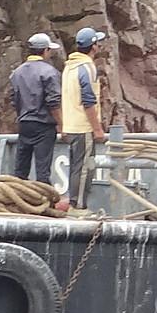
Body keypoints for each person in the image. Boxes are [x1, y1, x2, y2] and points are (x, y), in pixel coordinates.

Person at [60, 27, 109, 207]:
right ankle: (78, 206)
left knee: (76, 167)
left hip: (71, 127)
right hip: (83, 128)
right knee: (84, 169)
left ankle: (74, 203)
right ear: (94, 46)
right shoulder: (87, 68)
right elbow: (88, 100)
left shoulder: (69, 67)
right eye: (98, 43)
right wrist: (97, 128)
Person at [9, 33, 64, 185]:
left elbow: (13, 99)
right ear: (45, 50)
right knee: (42, 169)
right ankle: (43, 201)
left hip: (25, 123)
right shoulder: (49, 72)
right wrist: (61, 124)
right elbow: (53, 102)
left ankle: (18, 199)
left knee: (20, 168)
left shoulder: (17, 72)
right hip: (44, 125)